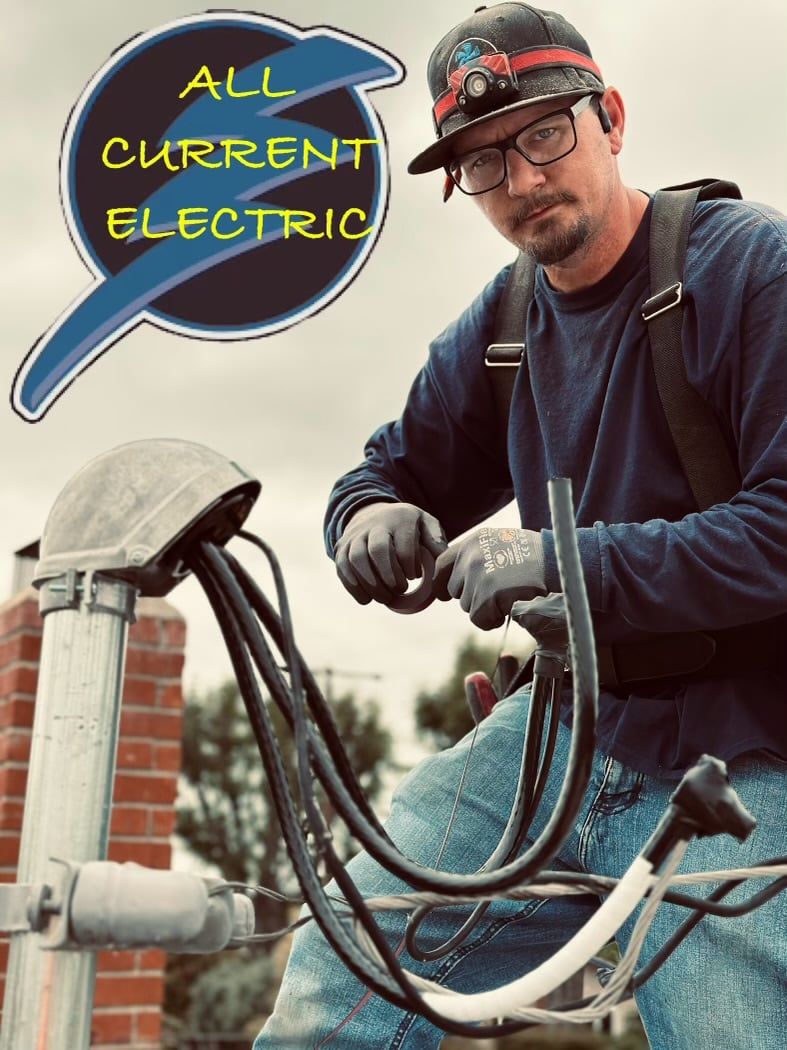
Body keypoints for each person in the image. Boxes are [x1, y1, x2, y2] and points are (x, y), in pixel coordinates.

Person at [255, 3, 787, 1047]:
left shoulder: (748, 271)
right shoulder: (502, 327)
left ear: (611, 119)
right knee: (346, 966)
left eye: (543, 136)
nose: (522, 179)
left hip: (743, 754)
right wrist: (369, 517)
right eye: (484, 163)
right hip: (554, 738)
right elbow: (374, 473)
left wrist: (562, 561)